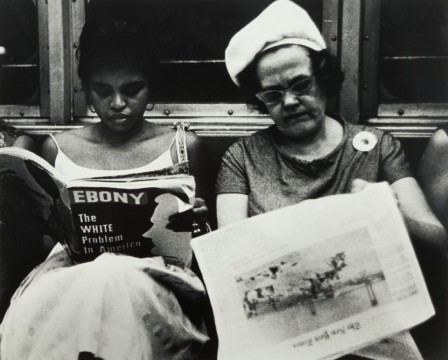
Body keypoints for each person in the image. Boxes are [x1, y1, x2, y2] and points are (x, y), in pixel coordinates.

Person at [216, 0, 447, 358]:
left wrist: (391, 212)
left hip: (371, 331)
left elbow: (437, 242)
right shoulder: (241, 158)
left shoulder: (376, 148)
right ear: (260, 101)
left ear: (323, 79)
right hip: (283, 336)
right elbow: (232, 261)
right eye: (273, 95)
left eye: (301, 85)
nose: (290, 102)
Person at [0, 13, 214, 360]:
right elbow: (47, 245)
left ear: (151, 85)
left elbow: (206, 244)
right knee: (87, 284)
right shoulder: (58, 147)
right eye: (103, 91)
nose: (117, 104)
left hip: (156, 281)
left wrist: (199, 222)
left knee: (113, 276)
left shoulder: (184, 146)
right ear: (85, 89)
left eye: (132, 90)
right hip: (68, 277)